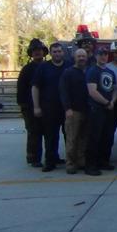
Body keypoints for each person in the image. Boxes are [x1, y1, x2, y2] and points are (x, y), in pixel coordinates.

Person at [32, 43, 70, 172]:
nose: (57, 54)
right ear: (50, 53)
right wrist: (36, 107)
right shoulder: (43, 67)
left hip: (67, 108)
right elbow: (35, 87)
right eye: (54, 52)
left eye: (59, 51)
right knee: (50, 137)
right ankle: (50, 161)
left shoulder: (69, 66)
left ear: (63, 52)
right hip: (49, 108)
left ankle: (71, 161)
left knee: (69, 136)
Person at [85, 47, 117, 176]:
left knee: (107, 137)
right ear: (96, 56)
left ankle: (104, 161)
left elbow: (115, 89)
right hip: (96, 109)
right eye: (101, 54)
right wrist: (106, 102)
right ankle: (91, 165)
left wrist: (113, 101)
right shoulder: (92, 71)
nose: (103, 57)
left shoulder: (110, 72)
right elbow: (92, 91)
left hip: (109, 109)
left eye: (105, 54)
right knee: (94, 138)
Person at [17, 38, 48, 167]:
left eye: (39, 50)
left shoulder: (48, 67)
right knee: (34, 132)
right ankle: (33, 158)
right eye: (34, 50)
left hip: (47, 106)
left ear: (43, 52)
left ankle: (52, 156)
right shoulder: (26, 70)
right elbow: (21, 89)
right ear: (31, 53)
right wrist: (25, 106)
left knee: (49, 133)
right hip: (30, 107)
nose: (37, 52)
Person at [59, 49, 89, 174]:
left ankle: (81, 161)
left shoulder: (89, 71)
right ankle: (70, 163)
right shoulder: (68, 73)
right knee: (72, 138)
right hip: (73, 111)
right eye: (79, 56)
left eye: (83, 56)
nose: (81, 58)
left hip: (87, 110)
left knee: (84, 138)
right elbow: (63, 92)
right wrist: (67, 109)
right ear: (74, 58)